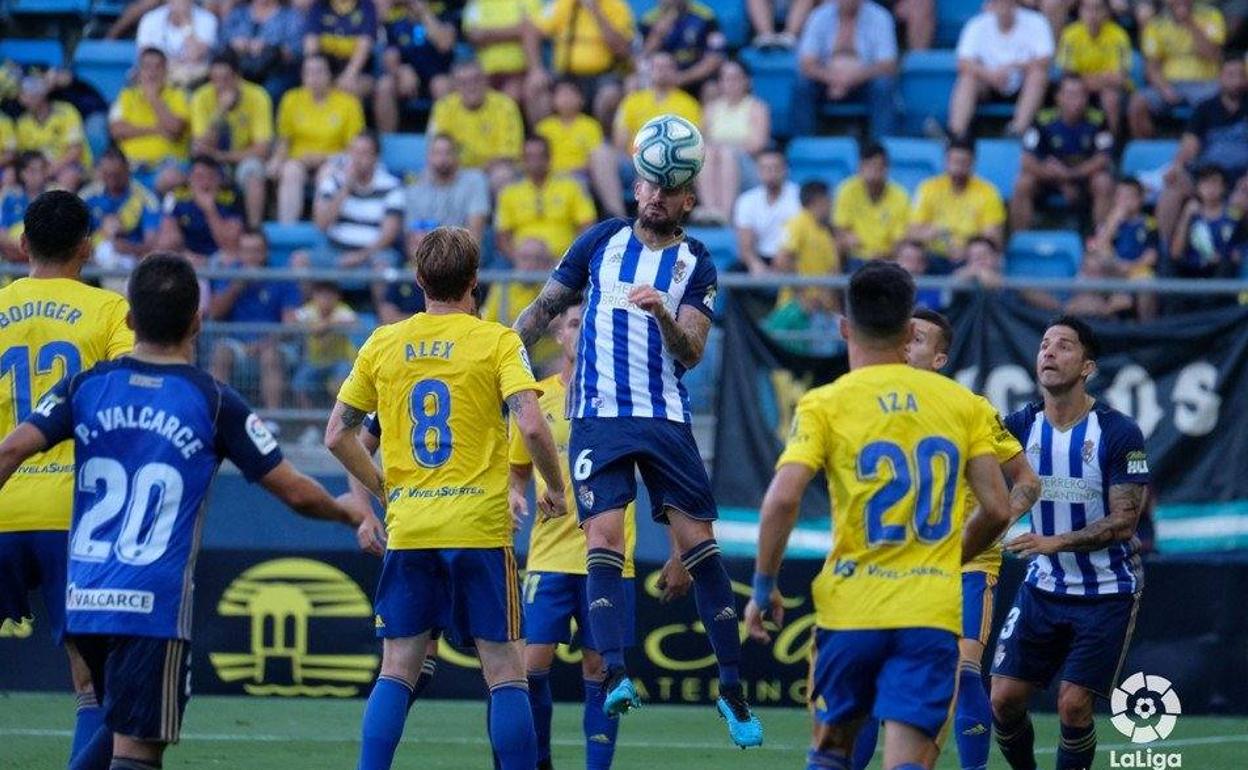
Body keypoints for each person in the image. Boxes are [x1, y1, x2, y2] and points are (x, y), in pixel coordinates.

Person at [0, 252, 383, 770]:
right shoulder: (212, 400)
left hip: (84, 597)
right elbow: (292, 490)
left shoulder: (85, 385)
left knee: (112, 721)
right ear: (197, 321)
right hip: (150, 607)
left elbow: (11, 450)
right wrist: (347, 513)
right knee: (138, 751)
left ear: (130, 319)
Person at [512, 175, 764, 748]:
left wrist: (663, 316)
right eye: (649, 185)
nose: (656, 196)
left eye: (668, 189)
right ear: (636, 186)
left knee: (700, 547)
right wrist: (498, 355)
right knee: (603, 538)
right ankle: (618, 675)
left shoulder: (695, 263)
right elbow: (543, 308)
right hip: (599, 415)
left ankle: (730, 689)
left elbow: (693, 351)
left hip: (665, 417)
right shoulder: (600, 240)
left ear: (687, 201)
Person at [743, 261, 1014, 770]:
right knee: (907, 761)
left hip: (852, 608)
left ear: (845, 328)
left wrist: (763, 587)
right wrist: (948, 556)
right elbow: (999, 506)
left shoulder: (825, 402)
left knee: (831, 752)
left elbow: (782, 499)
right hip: (930, 611)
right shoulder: (962, 403)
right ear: (911, 331)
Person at [325, 226, 567, 770]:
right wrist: (553, 486)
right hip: (478, 529)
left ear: (418, 280)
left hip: (411, 528)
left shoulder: (383, 342)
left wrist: (388, 489)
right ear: (475, 281)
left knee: (397, 668)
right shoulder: (498, 340)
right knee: (505, 672)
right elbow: (530, 424)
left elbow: (337, 433)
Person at [850, 308, 1042, 770]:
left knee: (963, 669)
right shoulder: (867, 402)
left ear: (939, 359)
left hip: (966, 563)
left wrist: (992, 524)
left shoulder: (970, 407)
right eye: (904, 337)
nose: (906, 345)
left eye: (919, 340)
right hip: (894, 561)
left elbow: (1027, 481)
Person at [0, 191, 133, 770]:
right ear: (87, 245)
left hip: (3, 500)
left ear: (22, 244)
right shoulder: (110, 311)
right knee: (94, 687)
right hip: (77, 513)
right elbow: (133, 393)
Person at [990, 316, 1151, 770]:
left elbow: (1124, 523)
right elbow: (976, 473)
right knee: (1002, 699)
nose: (1049, 352)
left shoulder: (1119, 432)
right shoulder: (1019, 427)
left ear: (1087, 368)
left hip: (1107, 592)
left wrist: (1054, 542)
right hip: (1042, 589)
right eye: (1044, 344)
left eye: (1063, 346)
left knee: (1073, 705)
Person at [509, 305, 640, 770]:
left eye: (589, 324)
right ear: (558, 335)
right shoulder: (536, 399)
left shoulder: (626, 400)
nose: (580, 332)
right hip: (548, 554)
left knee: (600, 670)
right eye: (571, 324)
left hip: (608, 557)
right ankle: (541, 760)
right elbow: (516, 472)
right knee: (530, 666)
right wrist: (514, 496)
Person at [592, 52, 702, 218]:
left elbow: (693, 146)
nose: (662, 71)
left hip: (671, 165)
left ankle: (651, 220)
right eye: (657, 67)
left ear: (675, 71)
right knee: (600, 153)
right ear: (649, 72)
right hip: (632, 160)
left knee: (652, 163)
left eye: (667, 67)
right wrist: (640, 157)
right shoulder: (632, 101)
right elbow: (619, 141)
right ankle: (617, 217)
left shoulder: (689, 104)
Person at [208, 229, 301, 413]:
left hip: (274, 343)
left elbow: (290, 324)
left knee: (270, 356)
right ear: (239, 252)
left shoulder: (282, 276)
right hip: (236, 343)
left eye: (256, 251)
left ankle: (274, 420)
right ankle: (217, 417)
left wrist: (266, 343)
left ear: (266, 251)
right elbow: (215, 313)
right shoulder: (230, 273)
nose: (251, 257)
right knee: (220, 353)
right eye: (246, 251)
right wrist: (237, 286)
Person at [1155, 56, 1246, 241]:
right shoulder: (1205, 108)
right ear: (1220, 77)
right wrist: (1178, 166)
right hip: (1207, 176)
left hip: (1242, 177)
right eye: (1230, 75)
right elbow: (1190, 144)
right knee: (1171, 191)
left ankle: (1233, 258)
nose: (1236, 80)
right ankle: (1166, 255)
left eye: (1241, 75)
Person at [1012, 74, 1117, 231]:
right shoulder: (1042, 120)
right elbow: (1027, 160)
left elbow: (1103, 158)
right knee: (1023, 183)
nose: (1076, 100)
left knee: (1103, 182)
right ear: (1058, 97)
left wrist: (1070, 175)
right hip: (1049, 178)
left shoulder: (1098, 120)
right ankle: (1019, 241)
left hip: (1083, 177)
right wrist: (1061, 181)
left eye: (1080, 94)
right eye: (1070, 94)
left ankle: (1101, 242)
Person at [270, 54, 367, 223]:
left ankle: (321, 227)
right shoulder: (291, 99)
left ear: (330, 75)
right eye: (308, 72)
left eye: (319, 72)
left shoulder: (349, 103)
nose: (313, 78)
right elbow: (284, 140)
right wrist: (277, 160)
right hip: (299, 159)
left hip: (334, 159)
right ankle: (287, 229)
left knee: (327, 174)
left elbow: (355, 146)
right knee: (289, 171)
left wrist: (322, 158)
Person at [190, 51, 274, 228]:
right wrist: (220, 111)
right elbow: (201, 148)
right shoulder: (201, 97)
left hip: (242, 160)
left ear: (238, 77)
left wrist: (222, 157)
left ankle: (254, 230)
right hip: (211, 162)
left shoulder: (258, 96)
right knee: (199, 172)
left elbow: (263, 149)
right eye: (215, 79)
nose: (220, 85)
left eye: (226, 79)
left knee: (253, 174)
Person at [795, 0, 900, 139]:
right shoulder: (819, 16)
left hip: (865, 81)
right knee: (802, 86)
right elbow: (806, 63)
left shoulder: (880, 17)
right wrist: (835, 79)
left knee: (883, 86)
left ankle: (883, 146)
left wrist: (851, 79)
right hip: (827, 81)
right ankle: (803, 146)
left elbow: (888, 64)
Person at [950, 0, 1054, 137]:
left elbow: (1046, 59)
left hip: (1023, 83)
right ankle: (956, 134)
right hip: (987, 84)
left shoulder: (1037, 22)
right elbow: (963, 62)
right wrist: (990, 75)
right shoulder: (977, 24)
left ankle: (1017, 131)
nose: (1003, 5)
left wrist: (1014, 67)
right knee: (967, 79)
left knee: (1038, 75)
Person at [310, 133, 405, 278]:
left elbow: (388, 235)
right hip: (335, 250)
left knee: (384, 265)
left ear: (376, 157)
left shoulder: (392, 187)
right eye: (353, 152)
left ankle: (381, 302)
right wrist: (346, 188)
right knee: (300, 260)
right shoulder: (333, 182)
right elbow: (321, 224)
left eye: (364, 153)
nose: (357, 159)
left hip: (374, 253)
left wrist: (361, 256)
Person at [1129, 0, 1226, 139]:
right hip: (1169, 84)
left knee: (1214, 102)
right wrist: (1164, 88)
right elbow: (1151, 66)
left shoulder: (1211, 16)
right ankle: (1147, 150)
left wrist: (1190, 23)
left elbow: (1213, 55)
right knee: (1137, 103)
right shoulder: (1156, 24)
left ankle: (1211, 149)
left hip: (1206, 83)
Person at [909, 139, 1006, 269]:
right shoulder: (927, 188)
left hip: (970, 260)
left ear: (973, 163)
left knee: (984, 256)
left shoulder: (988, 192)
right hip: (933, 256)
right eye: (954, 162)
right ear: (946, 161)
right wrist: (931, 233)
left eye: (964, 163)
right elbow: (913, 232)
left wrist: (966, 250)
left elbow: (992, 237)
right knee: (910, 254)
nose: (958, 168)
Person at [696, 60, 771, 224]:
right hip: (715, 163)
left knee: (726, 153)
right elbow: (701, 143)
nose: (731, 83)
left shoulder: (757, 107)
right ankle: (710, 210)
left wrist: (725, 147)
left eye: (736, 78)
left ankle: (725, 213)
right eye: (726, 79)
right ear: (720, 83)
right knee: (707, 153)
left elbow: (758, 144)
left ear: (747, 81)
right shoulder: (711, 109)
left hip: (748, 166)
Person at [108, 47, 190, 196]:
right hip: (131, 166)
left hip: (166, 166)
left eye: (157, 67)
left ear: (166, 70)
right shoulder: (126, 96)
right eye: (147, 67)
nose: (152, 73)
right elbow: (116, 130)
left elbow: (175, 129)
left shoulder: (179, 95)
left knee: (170, 177)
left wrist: (154, 99)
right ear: (139, 71)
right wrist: (157, 129)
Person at [80, 147, 163, 286]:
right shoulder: (87, 197)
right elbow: (76, 238)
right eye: (107, 175)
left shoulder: (146, 198)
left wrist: (129, 248)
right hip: (92, 261)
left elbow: (153, 245)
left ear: (127, 170)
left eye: (116, 175)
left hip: (133, 262)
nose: (111, 180)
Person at [374, 0, 459, 133]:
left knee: (440, 85)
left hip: (439, 74)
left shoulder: (443, 12)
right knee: (384, 85)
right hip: (407, 78)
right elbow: (389, 56)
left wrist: (424, 12)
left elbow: (445, 44)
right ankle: (387, 142)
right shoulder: (395, 18)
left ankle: (443, 144)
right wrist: (399, 70)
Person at [426, 61, 526, 172]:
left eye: (476, 80)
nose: (471, 87)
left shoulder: (505, 106)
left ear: (485, 81)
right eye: (463, 82)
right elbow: (436, 148)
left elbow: (508, 155)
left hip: (493, 170)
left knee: (502, 173)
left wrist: (476, 174)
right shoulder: (443, 107)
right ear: (455, 86)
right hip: (456, 172)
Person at [1056, 0, 1133, 136]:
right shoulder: (1070, 35)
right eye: (1088, 9)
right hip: (1080, 88)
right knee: (1069, 94)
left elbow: (1119, 78)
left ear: (1107, 13)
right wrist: (1102, 78)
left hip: (1111, 90)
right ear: (1080, 11)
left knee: (1110, 98)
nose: (1093, 14)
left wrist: (1086, 79)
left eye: (1098, 9)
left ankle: (1110, 143)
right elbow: (1068, 75)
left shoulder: (1119, 36)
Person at [833, 142, 911, 267]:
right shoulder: (846, 190)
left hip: (889, 258)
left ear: (887, 168)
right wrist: (850, 241)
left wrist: (884, 254)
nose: (873, 171)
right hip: (856, 258)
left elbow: (901, 237)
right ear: (860, 167)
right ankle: (835, 284)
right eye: (869, 165)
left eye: (878, 166)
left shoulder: (900, 195)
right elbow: (841, 230)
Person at [403, 134, 491, 244]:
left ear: (457, 156)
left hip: (465, 253)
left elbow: (475, 233)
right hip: (428, 255)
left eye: (448, 153)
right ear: (428, 157)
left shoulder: (474, 181)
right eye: (437, 153)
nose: (442, 159)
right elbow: (412, 239)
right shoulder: (415, 189)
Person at [157, 155, 245, 263]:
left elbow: (230, 246)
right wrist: (186, 255)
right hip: (188, 258)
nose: (205, 183)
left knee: (231, 258)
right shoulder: (176, 198)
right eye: (199, 177)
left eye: (211, 178)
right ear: (189, 179)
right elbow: (168, 242)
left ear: (220, 180)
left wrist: (210, 210)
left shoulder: (231, 199)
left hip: (220, 259)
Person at [1170, 165, 1244, 284]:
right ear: (1198, 187)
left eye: (1215, 183)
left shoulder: (1234, 215)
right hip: (1191, 271)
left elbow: (1238, 253)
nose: (1210, 188)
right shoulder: (1189, 214)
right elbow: (1175, 253)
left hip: (1220, 273)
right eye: (1205, 183)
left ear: (1224, 187)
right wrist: (1186, 217)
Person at [220, 0, 307, 102]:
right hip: (241, 69)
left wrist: (268, 47)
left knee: (269, 92)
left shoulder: (290, 16)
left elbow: (297, 51)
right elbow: (220, 44)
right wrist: (236, 44)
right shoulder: (238, 14)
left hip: (277, 71)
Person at [292, 281, 357, 416]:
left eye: (329, 295)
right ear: (314, 296)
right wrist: (330, 325)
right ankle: (313, 424)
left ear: (337, 297)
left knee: (339, 387)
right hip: (314, 361)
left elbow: (353, 322)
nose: (326, 299)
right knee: (298, 385)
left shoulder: (342, 310)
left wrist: (321, 327)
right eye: (321, 295)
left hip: (340, 360)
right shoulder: (309, 310)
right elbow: (294, 322)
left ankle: (335, 422)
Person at [15, 76, 91, 192]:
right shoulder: (23, 122)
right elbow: (25, 156)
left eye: (26, 95)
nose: (22, 100)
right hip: (39, 168)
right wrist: (38, 171)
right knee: (27, 176)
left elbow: (75, 151)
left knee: (68, 176)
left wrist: (50, 170)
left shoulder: (67, 112)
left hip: (68, 165)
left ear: (40, 95)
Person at [639, 0, 728, 98]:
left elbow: (715, 58)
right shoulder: (649, 20)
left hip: (695, 76)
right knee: (634, 82)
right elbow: (643, 56)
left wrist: (681, 78)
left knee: (711, 89)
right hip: (661, 77)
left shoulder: (705, 16)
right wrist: (658, 34)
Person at [733, 149, 801, 276]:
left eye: (776, 168)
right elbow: (745, 243)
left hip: (791, 257)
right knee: (734, 271)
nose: (771, 173)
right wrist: (755, 265)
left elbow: (801, 236)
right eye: (765, 168)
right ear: (758, 171)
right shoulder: (746, 200)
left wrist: (783, 263)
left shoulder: (798, 197)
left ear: (785, 170)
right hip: (760, 256)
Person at [534, 79, 608, 182]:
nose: (566, 99)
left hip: (580, 175)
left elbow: (594, 159)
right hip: (550, 177)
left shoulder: (591, 125)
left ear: (581, 99)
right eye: (561, 95)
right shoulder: (543, 127)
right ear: (552, 100)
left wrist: (572, 171)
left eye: (570, 94)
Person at [303, 0, 379, 98]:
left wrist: (348, 76)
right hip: (326, 71)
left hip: (358, 72)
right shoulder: (318, 6)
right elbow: (311, 48)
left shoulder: (366, 6)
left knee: (348, 89)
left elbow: (363, 48)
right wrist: (318, 76)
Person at [135, 0, 219, 88]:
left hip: (193, 78)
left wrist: (185, 22)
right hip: (160, 72)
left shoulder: (207, 19)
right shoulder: (150, 18)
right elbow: (147, 56)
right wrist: (175, 66)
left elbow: (195, 55)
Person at [0, 152, 52, 263]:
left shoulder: (54, 198)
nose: (38, 175)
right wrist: (24, 250)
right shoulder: (9, 196)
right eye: (33, 171)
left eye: (41, 170)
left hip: (47, 261)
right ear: (23, 173)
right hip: (13, 258)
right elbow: (2, 233)